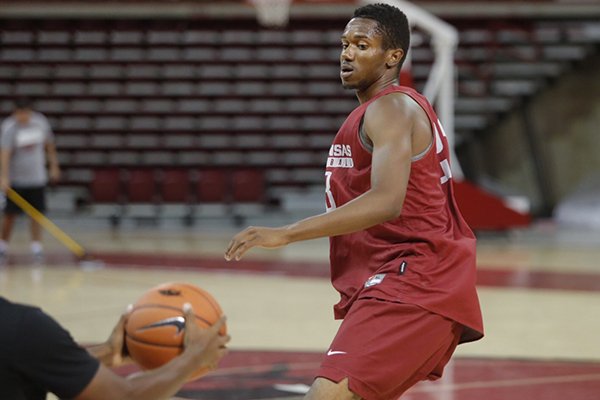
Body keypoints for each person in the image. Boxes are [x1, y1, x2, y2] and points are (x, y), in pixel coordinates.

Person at [225, 3, 484, 399]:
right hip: (412, 285)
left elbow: (386, 202)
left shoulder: (392, 108)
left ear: (392, 56)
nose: (347, 53)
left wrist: (287, 234)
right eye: (345, 44)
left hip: (412, 284)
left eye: (362, 45)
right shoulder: (380, 111)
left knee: (326, 395)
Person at [0, 295, 230, 400]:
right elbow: (122, 396)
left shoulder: (19, 334)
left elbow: (24, 363)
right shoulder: (23, 327)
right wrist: (192, 359)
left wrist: (108, 352)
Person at [0, 97, 61, 261]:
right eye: (20, 113)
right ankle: (3, 247)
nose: (23, 117)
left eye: (25, 113)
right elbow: (4, 153)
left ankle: (36, 247)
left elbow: (49, 144)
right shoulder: (9, 127)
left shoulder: (40, 123)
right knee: (9, 214)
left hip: (37, 178)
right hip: (16, 180)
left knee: (36, 214)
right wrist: (4, 177)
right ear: (15, 112)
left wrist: (54, 166)